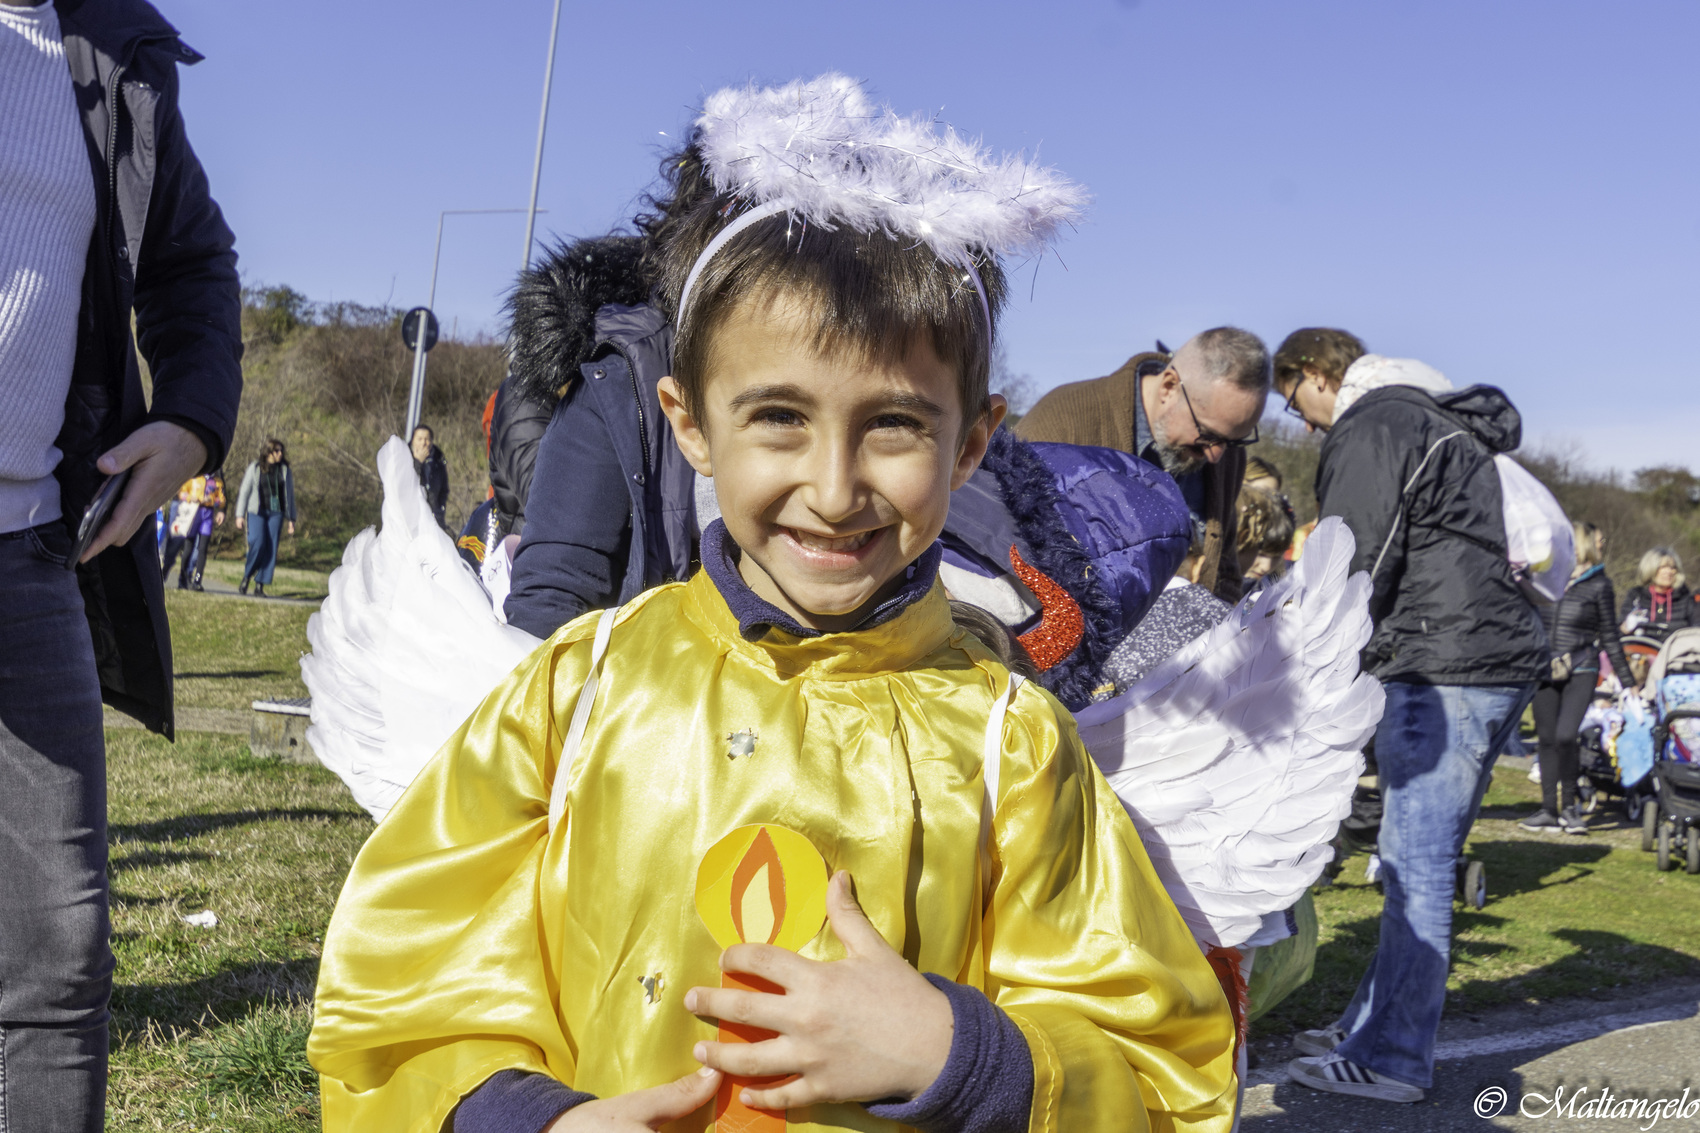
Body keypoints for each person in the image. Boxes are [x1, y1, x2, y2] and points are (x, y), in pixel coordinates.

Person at [310, 75, 1235, 1133]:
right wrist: (532, 1118)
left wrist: (959, 1054)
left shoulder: (1011, 749)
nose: (834, 490)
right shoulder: (577, 689)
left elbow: (1162, 1074)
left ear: (970, 444)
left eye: (893, 424)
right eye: (780, 417)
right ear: (690, 424)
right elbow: (405, 995)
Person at [0, 2, 242, 1129]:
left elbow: (192, 262)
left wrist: (190, 419)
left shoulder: (111, 47)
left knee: (60, 956)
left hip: (32, 548)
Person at [1273, 331, 1544, 1104]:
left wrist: (1315, 656)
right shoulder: (1436, 416)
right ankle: (1366, 1026)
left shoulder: (1377, 422)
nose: (1304, 422)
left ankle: (1391, 1057)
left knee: (1414, 863)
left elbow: (1355, 556)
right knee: (1411, 859)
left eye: (1296, 401)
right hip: (1492, 654)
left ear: (1318, 373)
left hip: (1441, 660)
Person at [1014, 328, 1271, 603]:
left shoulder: (1227, 456)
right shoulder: (1064, 423)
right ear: (1169, 386)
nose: (1216, 455)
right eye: (1207, 434)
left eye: (1233, 441)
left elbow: (1225, 570)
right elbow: (1006, 544)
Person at [1520, 522, 1636, 835]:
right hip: (1544, 666)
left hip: (1581, 668)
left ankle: (1570, 808)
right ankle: (1548, 809)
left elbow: (1610, 635)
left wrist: (1628, 681)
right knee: (1546, 738)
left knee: (1565, 735)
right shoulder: (1544, 576)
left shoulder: (1600, 584)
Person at [235, 439, 295, 596]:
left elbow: (289, 495)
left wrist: (291, 519)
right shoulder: (255, 467)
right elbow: (244, 491)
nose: (280, 454)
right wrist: (239, 515)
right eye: (277, 451)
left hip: (276, 513)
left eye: (281, 451)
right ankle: (247, 576)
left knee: (271, 548)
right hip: (257, 512)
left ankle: (259, 585)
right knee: (258, 543)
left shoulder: (285, 470)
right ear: (268, 452)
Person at [160, 471, 224, 589]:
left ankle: (197, 580)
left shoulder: (217, 481)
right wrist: (194, 498)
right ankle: (180, 578)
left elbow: (221, 499)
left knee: (202, 548)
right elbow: (182, 493)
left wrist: (212, 500)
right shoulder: (194, 479)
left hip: (208, 516)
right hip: (192, 514)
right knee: (187, 547)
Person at [1619, 547, 1695, 642]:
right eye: (1663, 567)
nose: (1669, 572)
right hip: (1641, 648)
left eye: (1672, 568)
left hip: (1674, 649)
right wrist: (1624, 628)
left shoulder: (1686, 599)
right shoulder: (1636, 596)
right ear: (1650, 569)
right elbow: (1618, 630)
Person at [411, 422, 449, 528]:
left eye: (427, 439)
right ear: (413, 441)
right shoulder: (405, 457)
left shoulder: (438, 460)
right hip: (413, 518)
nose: (423, 443)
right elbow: (408, 483)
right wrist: (418, 462)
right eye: (419, 439)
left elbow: (444, 489)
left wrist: (440, 509)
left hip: (434, 518)